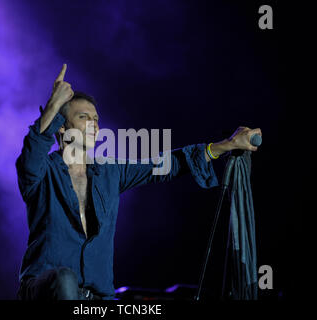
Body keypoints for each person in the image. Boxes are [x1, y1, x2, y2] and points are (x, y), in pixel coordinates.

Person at [15, 64, 262, 300]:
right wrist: (53, 106)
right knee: (64, 279)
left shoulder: (111, 171)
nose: (94, 124)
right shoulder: (42, 172)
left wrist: (227, 145)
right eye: (83, 117)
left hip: (98, 296)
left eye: (96, 118)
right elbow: (31, 154)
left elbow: (166, 165)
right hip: (43, 290)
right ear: (62, 127)